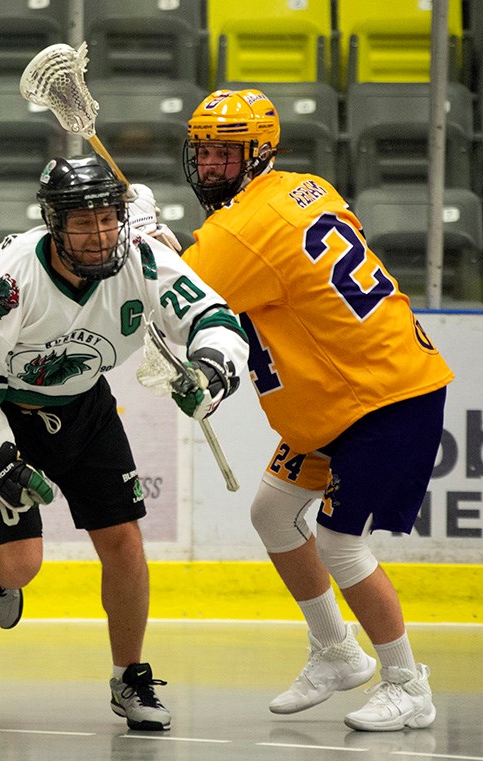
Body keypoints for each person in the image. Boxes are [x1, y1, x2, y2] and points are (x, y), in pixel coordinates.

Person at [0, 155, 250, 731]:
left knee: (123, 540)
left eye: (108, 219)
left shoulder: (144, 260)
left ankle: (130, 677)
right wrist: (1, 458)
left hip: (85, 407)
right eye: (82, 222)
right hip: (1, 410)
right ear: (54, 224)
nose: (99, 236)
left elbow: (212, 316)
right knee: (18, 568)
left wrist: (213, 369)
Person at [179, 88, 454, 732]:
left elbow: (187, 294)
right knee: (273, 513)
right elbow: (246, 259)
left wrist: (141, 245)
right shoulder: (305, 188)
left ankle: (408, 685)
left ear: (259, 153)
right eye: (205, 154)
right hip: (350, 392)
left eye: (226, 154)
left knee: (338, 542)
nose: (211, 167)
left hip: (380, 397)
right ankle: (335, 651)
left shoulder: (239, 230)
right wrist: (167, 243)